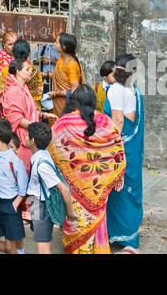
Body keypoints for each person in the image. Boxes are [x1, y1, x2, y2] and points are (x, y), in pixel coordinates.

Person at [49, 85, 127, 254]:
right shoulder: (105, 121)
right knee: (98, 220)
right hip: (98, 182)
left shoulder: (65, 122)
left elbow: (51, 145)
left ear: (74, 100)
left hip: (75, 182)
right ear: (93, 101)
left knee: (75, 220)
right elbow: (117, 149)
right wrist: (117, 175)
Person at [106, 52, 144, 251]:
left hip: (120, 146)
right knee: (129, 191)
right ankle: (127, 236)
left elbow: (118, 121)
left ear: (116, 68)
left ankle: (122, 238)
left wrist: (110, 148)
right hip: (133, 148)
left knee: (119, 192)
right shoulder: (134, 89)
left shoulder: (116, 89)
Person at [25, 120, 75, 253]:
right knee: (39, 235)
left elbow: (64, 189)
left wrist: (70, 213)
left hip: (42, 207)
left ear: (33, 140)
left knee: (43, 247)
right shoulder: (42, 153)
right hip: (35, 203)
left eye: (26, 135)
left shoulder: (42, 165)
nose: (24, 137)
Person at [0, 117, 28, 254]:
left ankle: (18, 251)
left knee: (11, 246)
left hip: (10, 205)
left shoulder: (14, 160)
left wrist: (15, 204)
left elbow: (23, 187)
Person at [1, 54, 40, 169]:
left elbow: (28, 111)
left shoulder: (23, 87)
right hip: (20, 137)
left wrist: (42, 115)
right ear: (18, 72)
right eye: (27, 69)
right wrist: (37, 128)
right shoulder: (14, 90)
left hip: (28, 133)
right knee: (22, 169)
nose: (30, 72)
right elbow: (16, 118)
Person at [47, 32, 84, 115]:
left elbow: (75, 91)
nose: (54, 44)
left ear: (63, 47)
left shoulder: (71, 65)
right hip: (57, 103)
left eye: (57, 43)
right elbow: (60, 74)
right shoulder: (61, 58)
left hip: (66, 105)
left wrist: (55, 93)